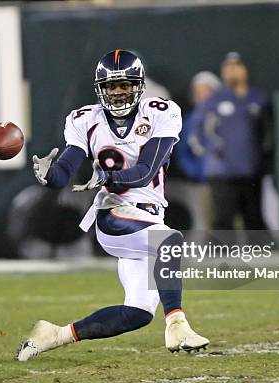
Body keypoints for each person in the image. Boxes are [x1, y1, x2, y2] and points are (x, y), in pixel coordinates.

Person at [16, 49, 209, 362]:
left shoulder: (161, 111)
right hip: (114, 215)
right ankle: (177, 324)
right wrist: (50, 176)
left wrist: (106, 174)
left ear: (139, 85)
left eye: (125, 84)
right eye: (110, 86)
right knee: (169, 241)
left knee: (137, 313)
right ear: (100, 89)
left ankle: (55, 334)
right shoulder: (84, 119)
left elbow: (146, 170)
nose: (118, 92)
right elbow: (67, 169)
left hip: (147, 214)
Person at [191, 52, 272, 231]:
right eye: (228, 67)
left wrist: (262, 161)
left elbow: (267, 135)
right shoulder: (214, 100)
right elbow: (197, 133)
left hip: (251, 172)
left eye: (237, 66)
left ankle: (261, 258)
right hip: (222, 173)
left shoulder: (259, 98)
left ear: (246, 69)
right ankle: (221, 260)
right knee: (223, 221)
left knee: (254, 219)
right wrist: (215, 151)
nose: (232, 72)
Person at [175, 71, 222, 182]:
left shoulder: (227, 118)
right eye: (198, 92)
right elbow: (182, 151)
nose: (201, 96)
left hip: (225, 179)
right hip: (199, 180)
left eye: (206, 91)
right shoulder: (190, 120)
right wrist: (194, 171)